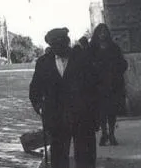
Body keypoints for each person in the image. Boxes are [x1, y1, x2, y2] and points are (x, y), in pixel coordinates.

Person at [29, 27, 99, 168]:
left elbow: (94, 87)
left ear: (67, 42)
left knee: (85, 155)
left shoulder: (82, 58)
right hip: (56, 118)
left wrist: (95, 114)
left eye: (61, 44)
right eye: (54, 44)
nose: (58, 47)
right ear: (50, 45)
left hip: (82, 115)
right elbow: (35, 89)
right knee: (58, 156)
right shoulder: (43, 63)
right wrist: (40, 107)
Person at [90, 23, 127, 146]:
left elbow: (122, 63)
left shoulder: (114, 48)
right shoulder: (92, 48)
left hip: (113, 84)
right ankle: (104, 133)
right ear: (96, 34)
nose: (102, 34)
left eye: (104, 32)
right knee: (101, 111)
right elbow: (86, 66)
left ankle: (111, 133)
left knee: (112, 110)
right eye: (100, 32)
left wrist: (116, 70)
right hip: (97, 85)